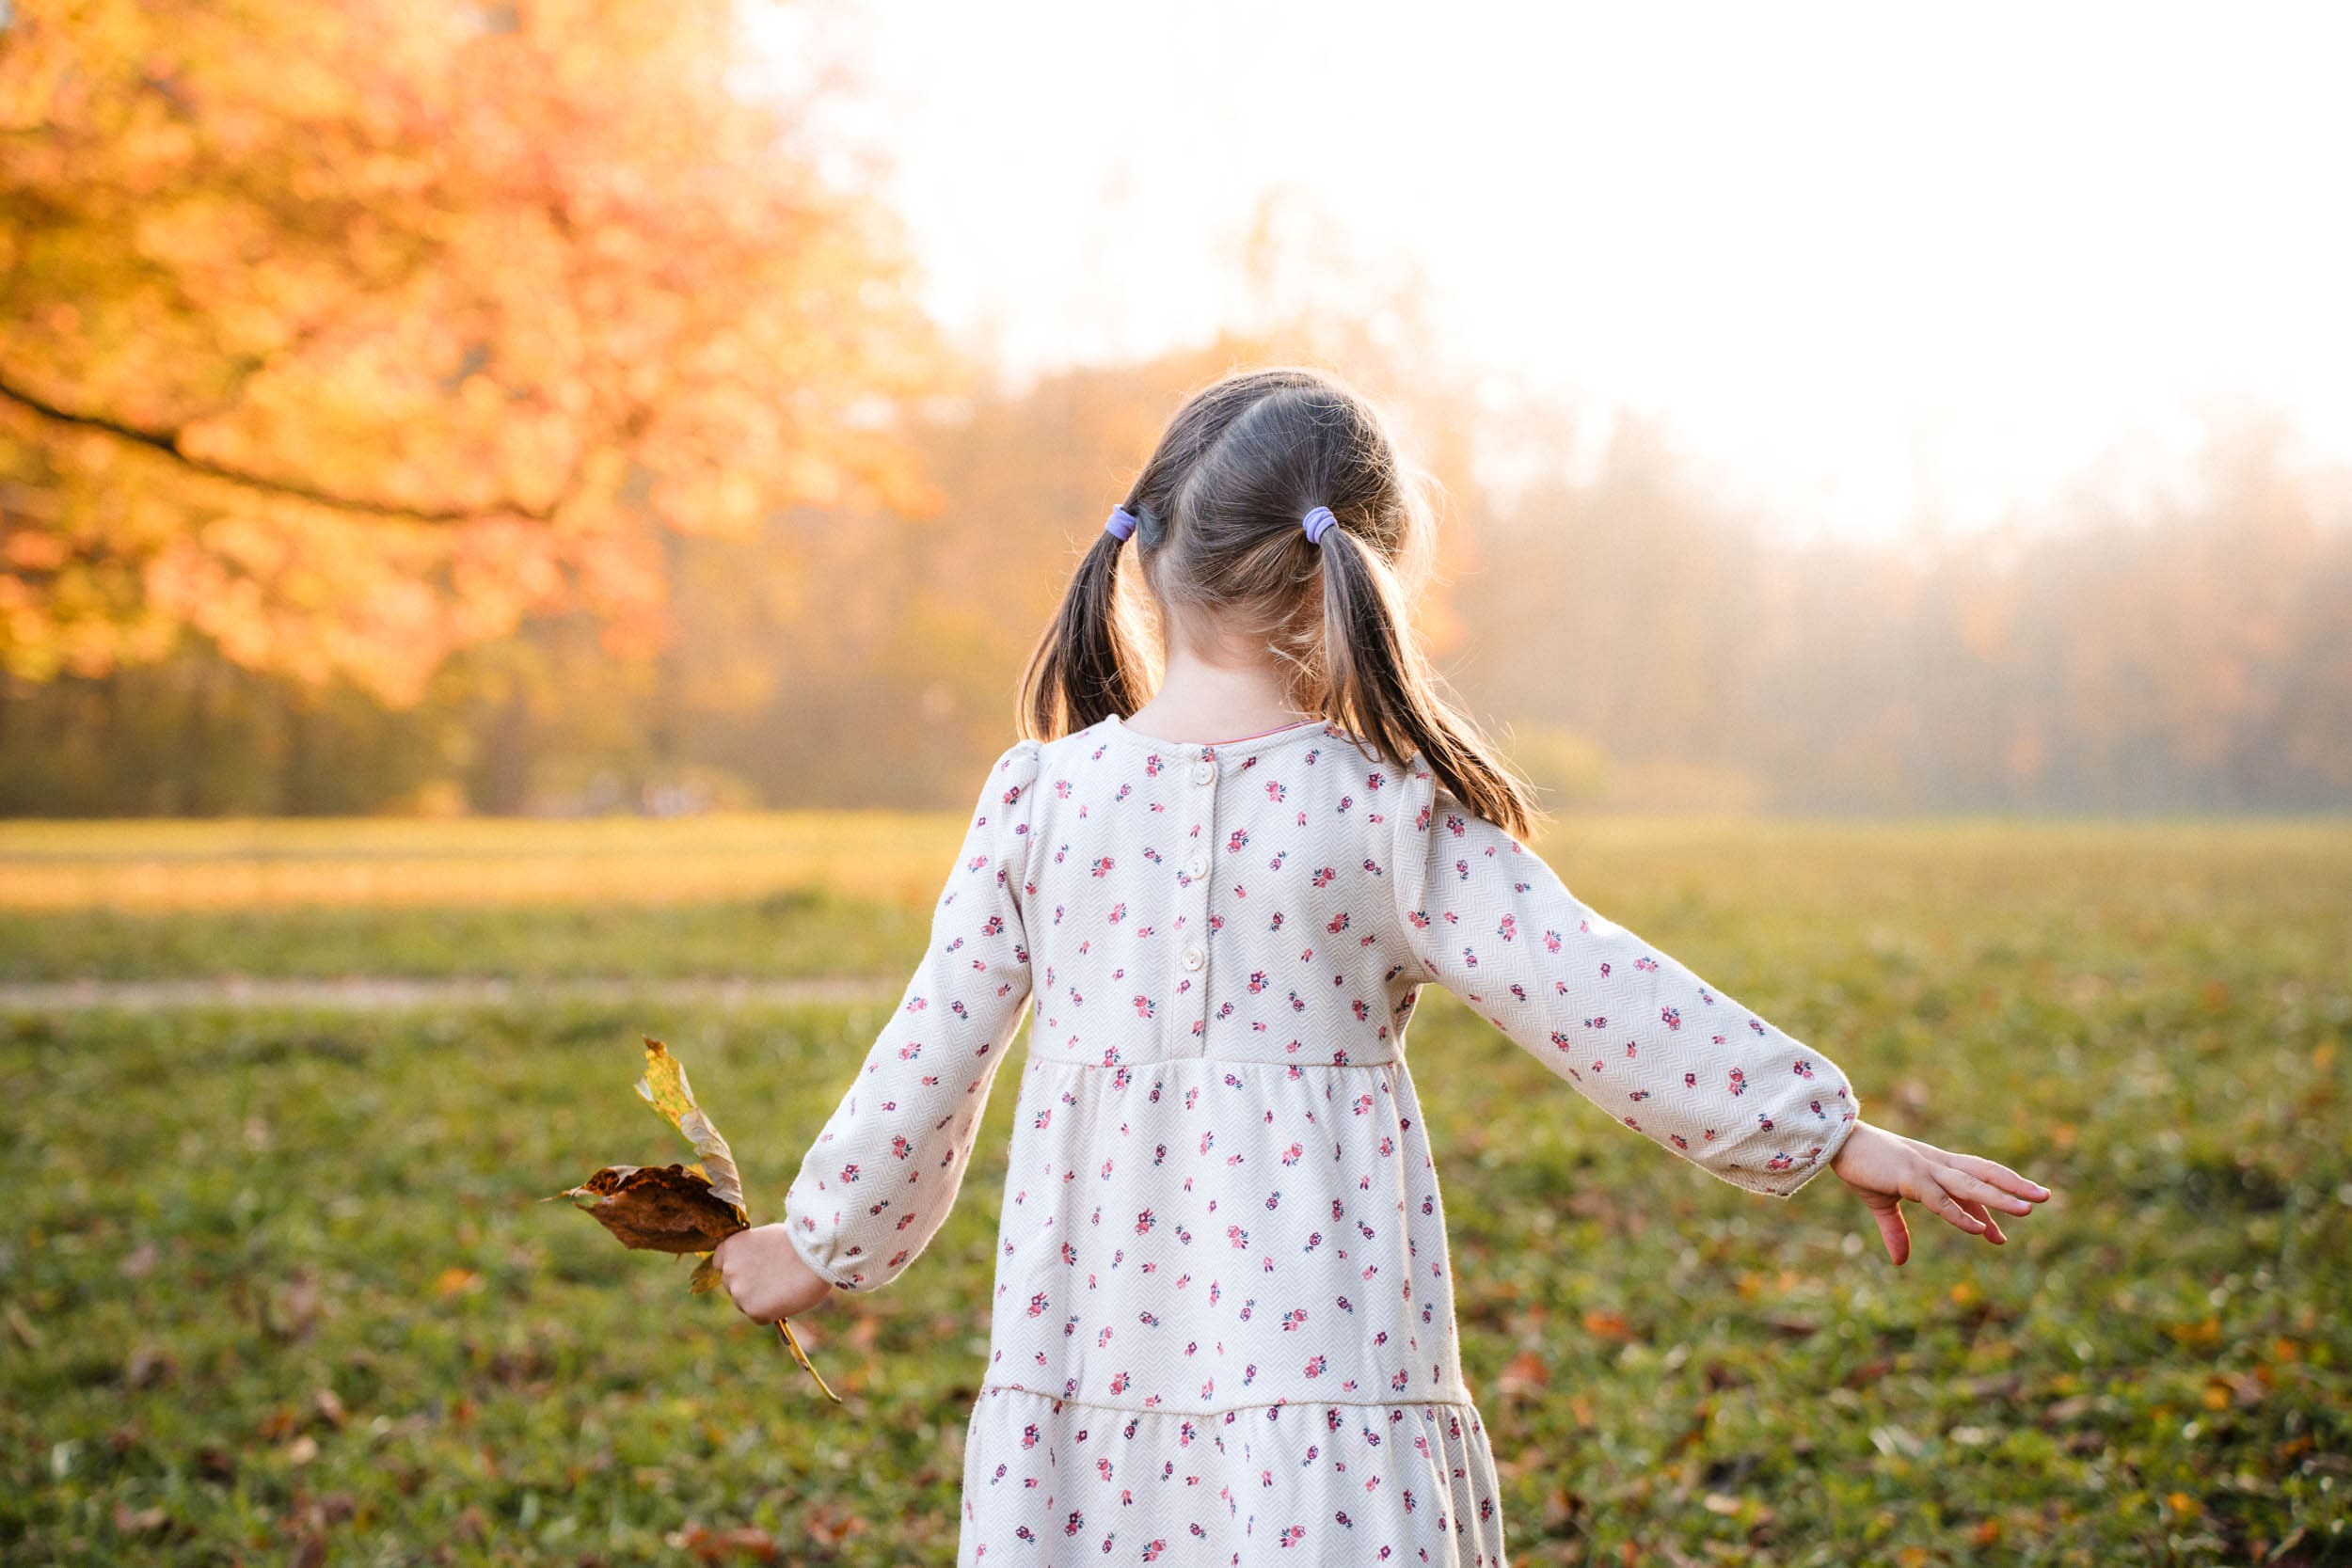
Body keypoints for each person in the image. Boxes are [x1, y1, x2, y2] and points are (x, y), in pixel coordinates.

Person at [712, 365, 2053, 1564]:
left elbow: (925, 1060)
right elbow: (1591, 985)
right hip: (1334, 1398)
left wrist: (820, 1246)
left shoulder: (1045, 801)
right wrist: (1826, 1133)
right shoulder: (1380, 810)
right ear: (1349, 583)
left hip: (1085, 1395)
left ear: (1151, 555)